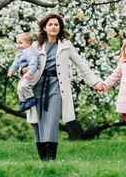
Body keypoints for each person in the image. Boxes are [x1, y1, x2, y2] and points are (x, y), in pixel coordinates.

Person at [24, 13, 103, 161]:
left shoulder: (66, 45)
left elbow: (81, 64)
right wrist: (22, 71)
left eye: (56, 24)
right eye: (50, 24)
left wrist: (95, 82)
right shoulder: (35, 45)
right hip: (36, 86)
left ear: (60, 28)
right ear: (44, 28)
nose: (53, 27)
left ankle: (51, 159)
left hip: (56, 86)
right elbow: (22, 63)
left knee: (52, 121)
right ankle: (44, 162)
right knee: (37, 121)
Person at [7, 32, 40, 112]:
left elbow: (33, 64)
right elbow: (15, 63)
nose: (18, 45)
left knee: (25, 85)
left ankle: (31, 99)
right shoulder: (19, 53)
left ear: (28, 43)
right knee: (19, 87)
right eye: (17, 43)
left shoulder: (31, 52)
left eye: (20, 43)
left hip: (33, 72)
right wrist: (11, 71)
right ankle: (23, 101)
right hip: (26, 73)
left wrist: (30, 72)